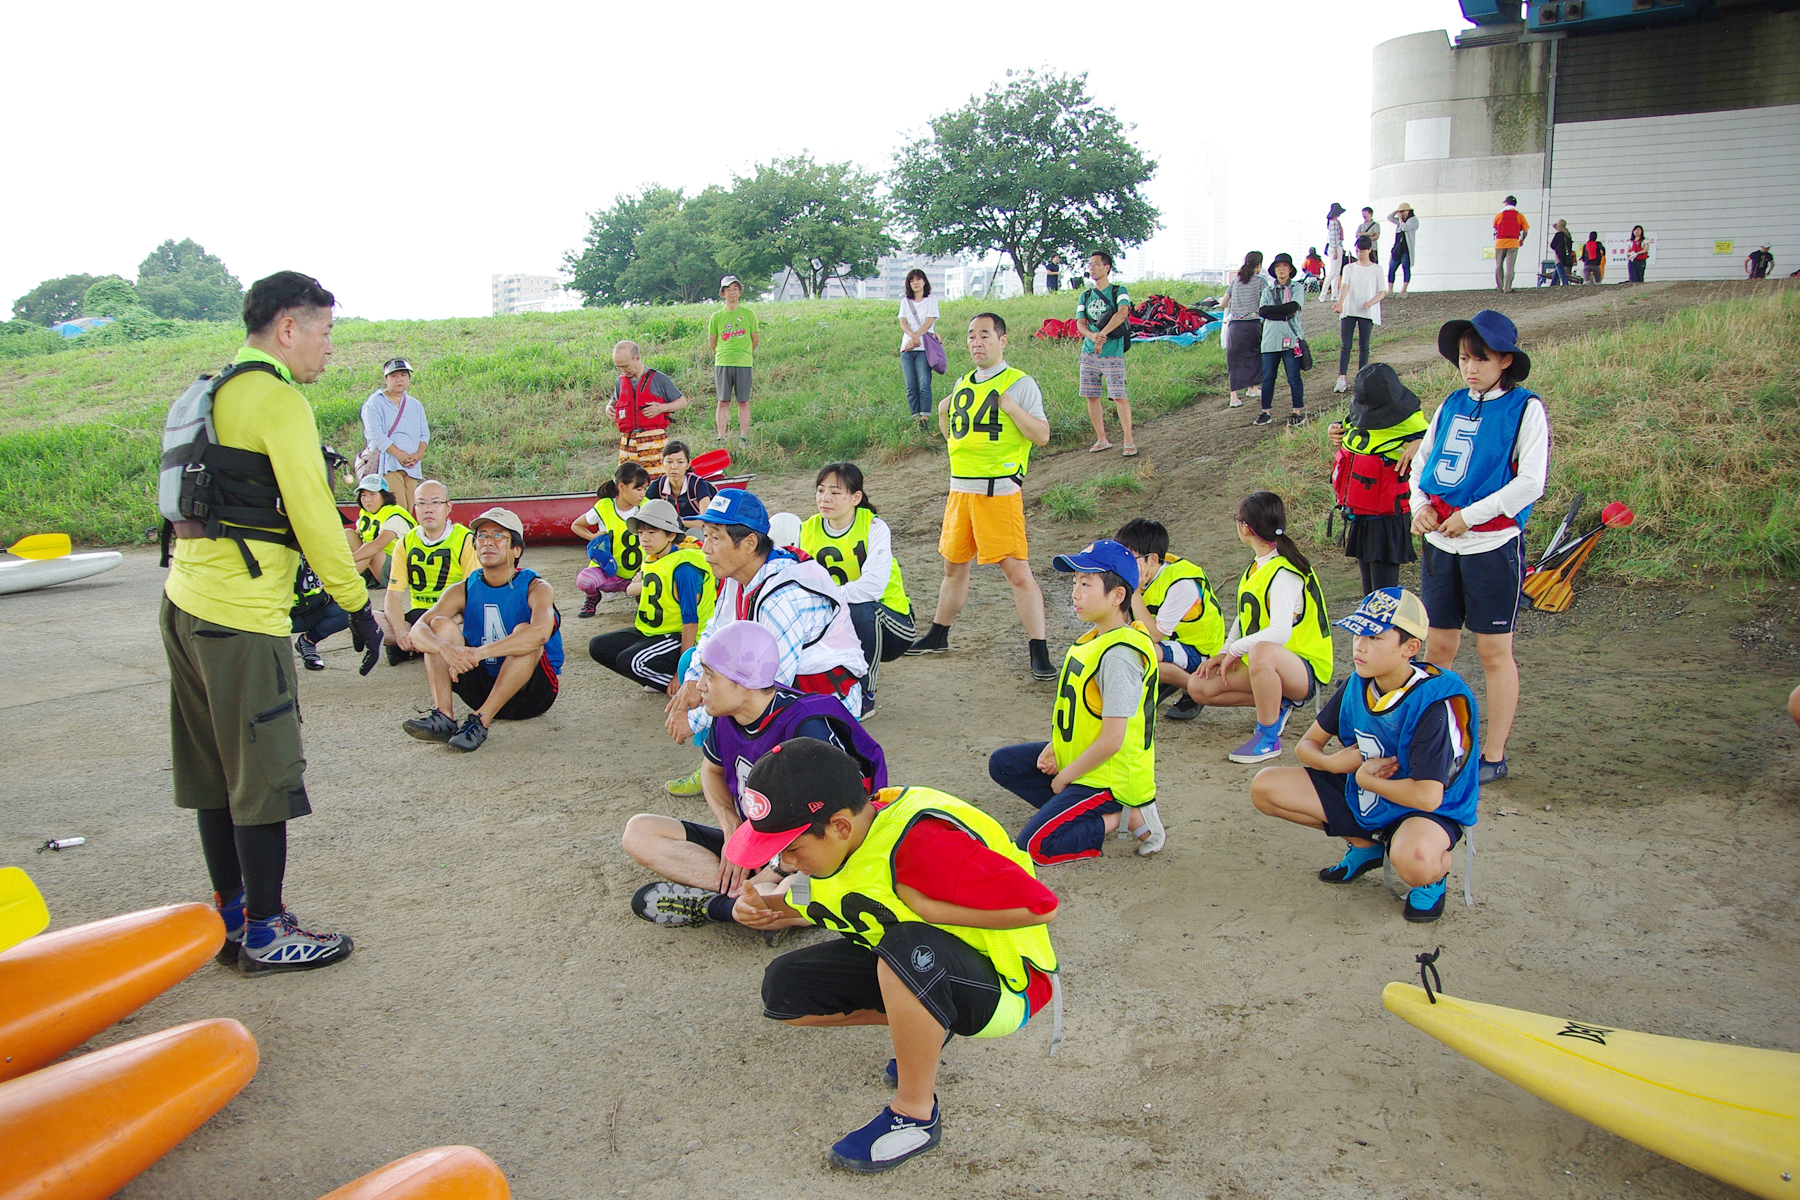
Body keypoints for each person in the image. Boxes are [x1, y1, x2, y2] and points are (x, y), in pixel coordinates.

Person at [163, 269, 376, 974]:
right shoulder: (278, 400)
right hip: (240, 621)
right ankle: (265, 929)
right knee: (263, 775)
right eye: (325, 332)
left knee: (216, 773)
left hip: (185, 606)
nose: (329, 349)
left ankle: (228, 916)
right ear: (289, 328)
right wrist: (355, 603)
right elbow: (314, 517)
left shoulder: (214, 391)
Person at [725, 738, 1060, 1174]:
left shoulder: (922, 845)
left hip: (1010, 985)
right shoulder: (844, 842)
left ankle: (915, 1115)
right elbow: (821, 898)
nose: (784, 862)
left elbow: (1042, 906)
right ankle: (927, 1025)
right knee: (784, 990)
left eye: (791, 849)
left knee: (905, 948)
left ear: (841, 827)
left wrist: (929, 908)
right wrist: (762, 905)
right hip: (932, 965)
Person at [622, 620, 888, 930]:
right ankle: (744, 898)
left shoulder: (805, 725)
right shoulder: (726, 713)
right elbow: (711, 771)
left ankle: (723, 906)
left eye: (709, 675)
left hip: (808, 851)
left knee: (785, 894)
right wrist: (731, 828)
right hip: (753, 840)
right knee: (639, 832)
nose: (701, 686)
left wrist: (777, 867)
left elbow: (835, 818)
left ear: (743, 682)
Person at [1248, 587, 1478, 923]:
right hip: (1370, 793)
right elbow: (1305, 747)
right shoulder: (1359, 681)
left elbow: (1428, 797)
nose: (1359, 645)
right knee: (1265, 787)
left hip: (1426, 810)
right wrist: (1330, 763)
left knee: (1414, 858)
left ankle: (1432, 877)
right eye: (1357, 633)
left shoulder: (1437, 700)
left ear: (1410, 648)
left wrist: (1363, 776)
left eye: (1374, 637)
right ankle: (1365, 846)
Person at [1411, 311, 1549, 786]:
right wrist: (1420, 507)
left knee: (1494, 651)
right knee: (1438, 646)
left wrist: (1470, 516)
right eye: (1464, 359)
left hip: (1492, 545)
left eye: (1480, 358)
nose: (1469, 368)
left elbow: (1531, 481)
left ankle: (1493, 754)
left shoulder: (1526, 408)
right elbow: (1423, 463)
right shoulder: (1451, 403)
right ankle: (1432, 744)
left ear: (1505, 360)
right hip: (1440, 545)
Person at [662, 489, 868, 791]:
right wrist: (693, 679)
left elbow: (767, 688)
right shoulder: (739, 574)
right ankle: (718, 762)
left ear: (749, 543)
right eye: (705, 536)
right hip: (792, 686)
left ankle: (728, 767)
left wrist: (694, 720)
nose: (704, 548)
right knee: (694, 660)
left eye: (715, 538)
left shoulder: (782, 596)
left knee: (735, 693)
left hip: (823, 703)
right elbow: (712, 634)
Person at [988, 539, 1164, 863]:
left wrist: (1064, 778)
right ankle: (1069, 809)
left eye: (1086, 583)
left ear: (1118, 595)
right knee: (1003, 764)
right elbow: (1082, 713)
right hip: (1085, 760)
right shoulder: (1096, 638)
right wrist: (1056, 746)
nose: (1075, 593)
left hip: (1110, 777)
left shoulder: (1120, 655)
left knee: (1033, 847)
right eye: (1074, 582)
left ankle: (1119, 818)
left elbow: (1112, 740)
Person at [906, 313, 1055, 680]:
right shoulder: (962, 382)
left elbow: (1042, 435)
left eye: (985, 335)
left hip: (997, 493)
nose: (976, 342)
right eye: (971, 335)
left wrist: (1011, 407)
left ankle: (1039, 649)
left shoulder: (1019, 383)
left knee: (1017, 573)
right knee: (953, 567)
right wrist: (944, 411)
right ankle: (938, 635)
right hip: (961, 491)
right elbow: (954, 434)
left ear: (1002, 341)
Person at [1186, 491, 1334, 765]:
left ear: (1245, 528)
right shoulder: (1257, 565)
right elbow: (1244, 619)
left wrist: (1237, 650)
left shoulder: (1283, 571)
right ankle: (1277, 703)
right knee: (1198, 686)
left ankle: (1268, 737)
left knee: (1262, 651)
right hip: (1270, 664)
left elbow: (1279, 633)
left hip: (1303, 670)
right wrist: (1224, 651)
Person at [400, 507, 563, 752]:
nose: (488, 542)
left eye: (498, 536)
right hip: (481, 686)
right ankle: (444, 716)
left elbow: (540, 633)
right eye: (482, 536)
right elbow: (418, 630)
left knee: (524, 632)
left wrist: (477, 653)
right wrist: (446, 649)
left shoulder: (536, 586)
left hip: (531, 695)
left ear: (516, 549)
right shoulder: (464, 588)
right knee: (439, 625)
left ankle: (480, 721)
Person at [802, 462, 915, 718]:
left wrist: (829, 599)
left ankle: (866, 694)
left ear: (856, 497)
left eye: (835, 492)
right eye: (820, 491)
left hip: (891, 625)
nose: (825, 498)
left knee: (861, 610)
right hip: (836, 618)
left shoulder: (874, 527)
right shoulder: (806, 529)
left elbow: (872, 588)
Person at [587, 499, 714, 691]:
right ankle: (660, 680)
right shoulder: (653, 558)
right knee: (598, 647)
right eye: (640, 532)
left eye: (652, 532)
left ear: (671, 535)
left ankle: (688, 687)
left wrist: (682, 672)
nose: (644, 538)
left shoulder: (684, 568)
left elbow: (690, 621)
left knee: (631, 662)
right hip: (651, 632)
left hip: (677, 636)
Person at [1329, 364, 1427, 595]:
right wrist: (1332, 429)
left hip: (1387, 520)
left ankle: (1386, 631)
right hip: (1360, 515)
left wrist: (1421, 444)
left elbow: (1440, 439)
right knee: (1369, 593)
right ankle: (1371, 631)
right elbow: (1347, 428)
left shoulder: (1413, 425)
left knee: (1383, 594)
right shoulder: (1359, 417)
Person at [1115, 517, 1223, 723]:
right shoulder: (1149, 573)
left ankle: (1195, 687)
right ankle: (1166, 679)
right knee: (1128, 648)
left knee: (1143, 653)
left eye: (1131, 558)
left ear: (1153, 560)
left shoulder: (1181, 583)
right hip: (1171, 643)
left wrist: (1134, 592)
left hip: (1201, 652)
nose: (1124, 565)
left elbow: (1154, 635)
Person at [380, 479, 476, 665]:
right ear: (415, 508)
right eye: (421, 503)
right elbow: (392, 595)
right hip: (418, 615)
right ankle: (416, 642)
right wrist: (400, 631)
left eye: (435, 502)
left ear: (448, 507)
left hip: (450, 617)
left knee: (445, 627)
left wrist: (455, 619)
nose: (428, 509)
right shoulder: (405, 542)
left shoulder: (465, 539)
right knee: (369, 620)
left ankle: (421, 644)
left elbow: (472, 593)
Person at [571, 462, 651, 618]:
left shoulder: (647, 507)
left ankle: (640, 594)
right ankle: (593, 597)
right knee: (585, 580)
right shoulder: (604, 507)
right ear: (621, 487)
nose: (643, 494)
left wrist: (645, 570)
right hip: (608, 572)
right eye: (638, 489)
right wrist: (594, 537)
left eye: (645, 489)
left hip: (639, 573)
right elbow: (577, 525)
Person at [1075, 250, 1135, 456]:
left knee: (1118, 395)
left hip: (1112, 352)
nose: (1092, 268)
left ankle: (1128, 440)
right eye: (1090, 264)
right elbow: (1080, 322)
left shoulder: (1119, 290)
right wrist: (1093, 338)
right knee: (1092, 396)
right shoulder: (1085, 295)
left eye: (1096, 264)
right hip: (1089, 353)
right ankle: (1102, 438)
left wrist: (1102, 334)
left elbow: (1122, 313)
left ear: (1107, 267)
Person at [605, 339, 689, 474]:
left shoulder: (659, 379)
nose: (622, 370)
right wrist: (608, 407)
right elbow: (614, 400)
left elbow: (682, 402)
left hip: (653, 441)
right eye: (618, 366)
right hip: (629, 443)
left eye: (625, 366)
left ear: (637, 358)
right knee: (628, 483)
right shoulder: (620, 382)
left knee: (657, 482)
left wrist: (661, 408)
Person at [360, 357, 429, 512]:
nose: (399, 379)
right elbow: (377, 435)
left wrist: (419, 453)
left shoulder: (415, 405)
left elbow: (424, 432)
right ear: (386, 379)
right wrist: (399, 454)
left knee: (412, 508)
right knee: (399, 508)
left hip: (412, 464)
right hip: (389, 464)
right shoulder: (374, 404)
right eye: (394, 376)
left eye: (403, 375)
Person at [1256, 253, 1307, 427]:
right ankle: (1265, 412)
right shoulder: (1267, 291)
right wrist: (1284, 311)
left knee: (1293, 376)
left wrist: (1274, 310)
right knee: (1268, 377)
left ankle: (1297, 411)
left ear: (1290, 269)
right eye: (1278, 267)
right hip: (1270, 339)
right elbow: (1263, 312)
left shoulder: (1297, 288)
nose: (1281, 270)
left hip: (1290, 338)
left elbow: (1294, 307)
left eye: (1285, 266)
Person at [1332, 237, 1388, 393]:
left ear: (1369, 250)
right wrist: (1340, 301)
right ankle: (1342, 378)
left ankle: (1361, 378)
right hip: (1349, 309)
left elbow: (1382, 292)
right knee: (1346, 345)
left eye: (1362, 251)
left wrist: (1371, 302)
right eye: (1357, 251)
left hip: (1366, 311)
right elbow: (1344, 286)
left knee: (1364, 346)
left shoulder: (1377, 269)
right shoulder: (1349, 268)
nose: (1360, 254)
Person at [709, 275, 760, 445]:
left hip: (744, 363)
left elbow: (755, 339)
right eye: (729, 289)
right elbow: (712, 342)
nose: (732, 292)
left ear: (740, 292)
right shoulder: (716, 317)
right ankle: (721, 437)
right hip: (723, 362)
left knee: (743, 401)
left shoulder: (748, 314)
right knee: (723, 401)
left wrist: (744, 353)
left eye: (735, 289)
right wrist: (724, 353)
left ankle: (744, 437)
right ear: (723, 293)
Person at [347, 474, 416, 587]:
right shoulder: (366, 513)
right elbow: (358, 537)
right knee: (348, 534)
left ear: (384, 496)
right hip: (373, 564)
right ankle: (346, 574)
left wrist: (348, 560)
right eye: (363, 495)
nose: (367, 500)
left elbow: (378, 545)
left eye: (372, 494)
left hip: (397, 568)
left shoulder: (394, 514)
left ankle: (343, 581)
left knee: (371, 550)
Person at [897, 269, 940, 430]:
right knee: (910, 385)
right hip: (906, 349)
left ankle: (925, 418)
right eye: (911, 280)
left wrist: (915, 338)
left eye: (918, 279)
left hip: (924, 349)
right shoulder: (905, 302)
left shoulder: (931, 300)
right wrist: (912, 337)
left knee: (924, 383)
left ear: (924, 281)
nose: (915, 283)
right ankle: (915, 418)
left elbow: (929, 322)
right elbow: (903, 323)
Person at [1223, 251, 1266, 410]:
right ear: (1258, 265)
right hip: (1252, 323)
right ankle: (1252, 388)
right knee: (1254, 356)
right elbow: (1266, 302)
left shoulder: (1236, 281)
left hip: (1234, 325)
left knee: (1234, 360)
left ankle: (1234, 397)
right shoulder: (1261, 282)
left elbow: (1223, 303)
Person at [643, 440, 718, 524]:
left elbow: (706, 522)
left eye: (680, 462)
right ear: (662, 462)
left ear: (688, 464)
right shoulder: (657, 486)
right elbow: (646, 515)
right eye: (669, 462)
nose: (674, 467)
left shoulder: (698, 485)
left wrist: (677, 523)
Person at [1492, 195, 1530, 293]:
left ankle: (1499, 287)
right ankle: (1507, 288)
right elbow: (1525, 231)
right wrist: (1522, 240)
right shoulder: (1520, 216)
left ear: (1506, 203)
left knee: (1498, 265)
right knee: (1510, 267)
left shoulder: (1499, 215)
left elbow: (1495, 227)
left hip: (1500, 243)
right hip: (1513, 243)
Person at [1386, 204, 1418, 295]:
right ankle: (1390, 290)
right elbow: (1389, 217)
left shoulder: (1413, 220)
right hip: (1397, 249)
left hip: (1406, 249)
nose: (1402, 214)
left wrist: (1400, 219)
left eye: (1404, 211)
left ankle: (1403, 290)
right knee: (1392, 268)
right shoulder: (1400, 221)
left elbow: (1404, 228)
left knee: (1405, 268)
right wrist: (1396, 211)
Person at [1323, 203, 1346, 301]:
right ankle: (1323, 294)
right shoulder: (1334, 222)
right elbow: (1333, 239)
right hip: (1335, 248)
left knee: (1336, 273)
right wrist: (1336, 250)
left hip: (1336, 247)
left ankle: (1334, 294)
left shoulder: (1333, 222)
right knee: (1333, 272)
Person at [1549, 220, 1576, 287]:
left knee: (1562, 274)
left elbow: (1552, 245)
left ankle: (1565, 284)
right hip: (1566, 256)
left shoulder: (1559, 235)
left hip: (1559, 255)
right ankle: (1552, 284)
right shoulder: (1568, 235)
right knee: (1557, 271)